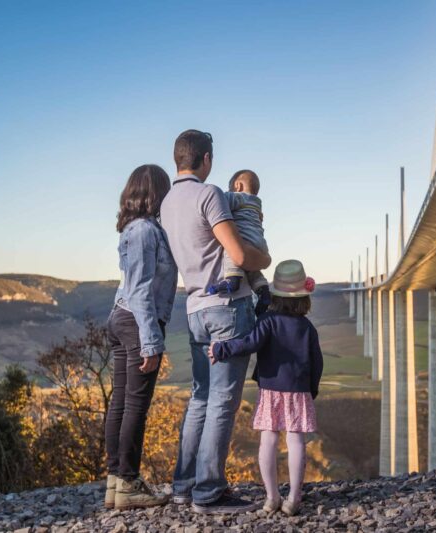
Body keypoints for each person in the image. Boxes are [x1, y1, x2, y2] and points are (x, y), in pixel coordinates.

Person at [160, 130, 272, 514]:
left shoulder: (167, 202)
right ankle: (209, 492)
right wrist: (265, 262)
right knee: (223, 400)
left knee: (200, 399)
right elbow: (239, 253)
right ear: (205, 159)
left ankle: (183, 486)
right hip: (226, 307)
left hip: (193, 308)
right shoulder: (209, 195)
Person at [208, 259, 323, 516]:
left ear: (276, 295)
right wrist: (310, 390)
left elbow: (248, 344)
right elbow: (318, 363)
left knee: (268, 441)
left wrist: (221, 348)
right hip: (299, 390)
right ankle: (294, 498)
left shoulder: (268, 321)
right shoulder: (308, 327)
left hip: (271, 390)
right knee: (296, 441)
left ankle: (271, 497)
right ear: (303, 298)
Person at [104, 164, 177, 510]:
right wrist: (150, 340)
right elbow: (141, 289)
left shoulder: (135, 229)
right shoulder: (146, 231)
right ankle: (128, 482)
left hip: (122, 317)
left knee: (120, 403)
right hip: (137, 321)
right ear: (156, 194)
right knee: (134, 405)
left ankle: (116, 483)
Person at [207, 170, 271, 317]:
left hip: (245, 237)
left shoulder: (237, 197)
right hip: (260, 242)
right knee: (252, 270)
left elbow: (217, 201)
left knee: (230, 249)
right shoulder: (256, 203)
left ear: (237, 186)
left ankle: (232, 280)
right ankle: (262, 289)